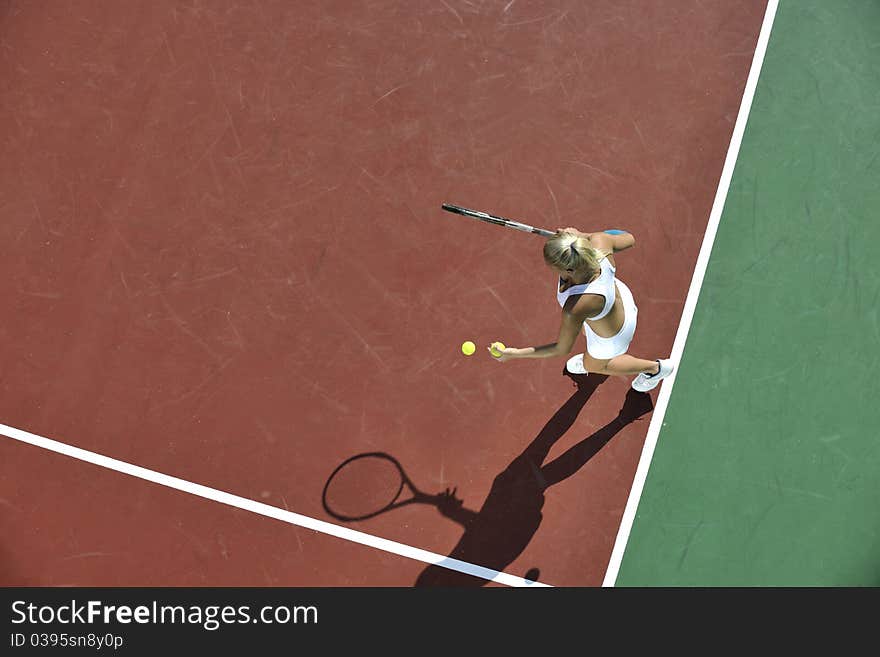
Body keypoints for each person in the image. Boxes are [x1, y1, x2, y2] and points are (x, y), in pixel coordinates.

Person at [489, 227, 674, 392]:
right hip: (621, 302)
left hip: (613, 338)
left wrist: (514, 354)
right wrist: (581, 236)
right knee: (587, 328)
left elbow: (561, 349)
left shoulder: (577, 307)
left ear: (568, 270)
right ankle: (595, 356)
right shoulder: (600, 242)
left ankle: (655, 369)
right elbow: (629, 238)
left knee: (593, 365)